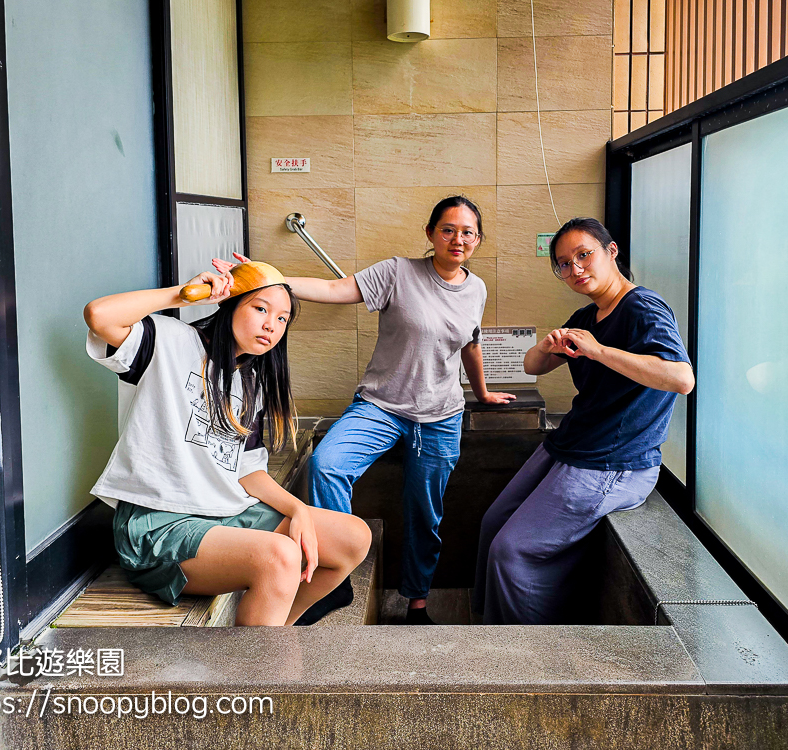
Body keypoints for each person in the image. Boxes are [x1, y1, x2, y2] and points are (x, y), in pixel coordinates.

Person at [218, 195, 515, 625]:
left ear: (477, 240)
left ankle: (416, 601)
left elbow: (471, 344)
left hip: (441, 417)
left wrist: (482, 394)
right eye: (447, 229)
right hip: (381, 407)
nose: (457, 239)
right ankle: (334, 577)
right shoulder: (397, 272)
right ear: (430, 234)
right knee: (326, 465)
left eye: (467, 232)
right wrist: (268, 279)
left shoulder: (477, 288)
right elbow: (337, 289)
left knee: (424, 515)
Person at [83, 264, 372, 626]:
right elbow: (98, 315)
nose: (272, 325)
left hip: (225, 512)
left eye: (282, 319)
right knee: (280, 553)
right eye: (261, 308)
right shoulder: (168, 341)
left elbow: (248, 470)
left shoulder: (252, 383)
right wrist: (183, 294)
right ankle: (258, 669)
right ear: (231, 303)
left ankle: (272, 641)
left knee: (354, 537)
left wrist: (298, 510)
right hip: (159, 523)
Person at [472, 217, 695, 625]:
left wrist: (599, 351)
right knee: (492, 523)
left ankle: (523, 656)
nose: (575, 269)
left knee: (512, 550)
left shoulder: (643, 307)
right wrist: (546, 346)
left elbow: (681, 378)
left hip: (613, 462)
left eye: (584, 255)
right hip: (570, 446)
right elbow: (531, 366)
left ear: (611, 252)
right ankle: (487, 631)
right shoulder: (587, 316)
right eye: (563, 263)